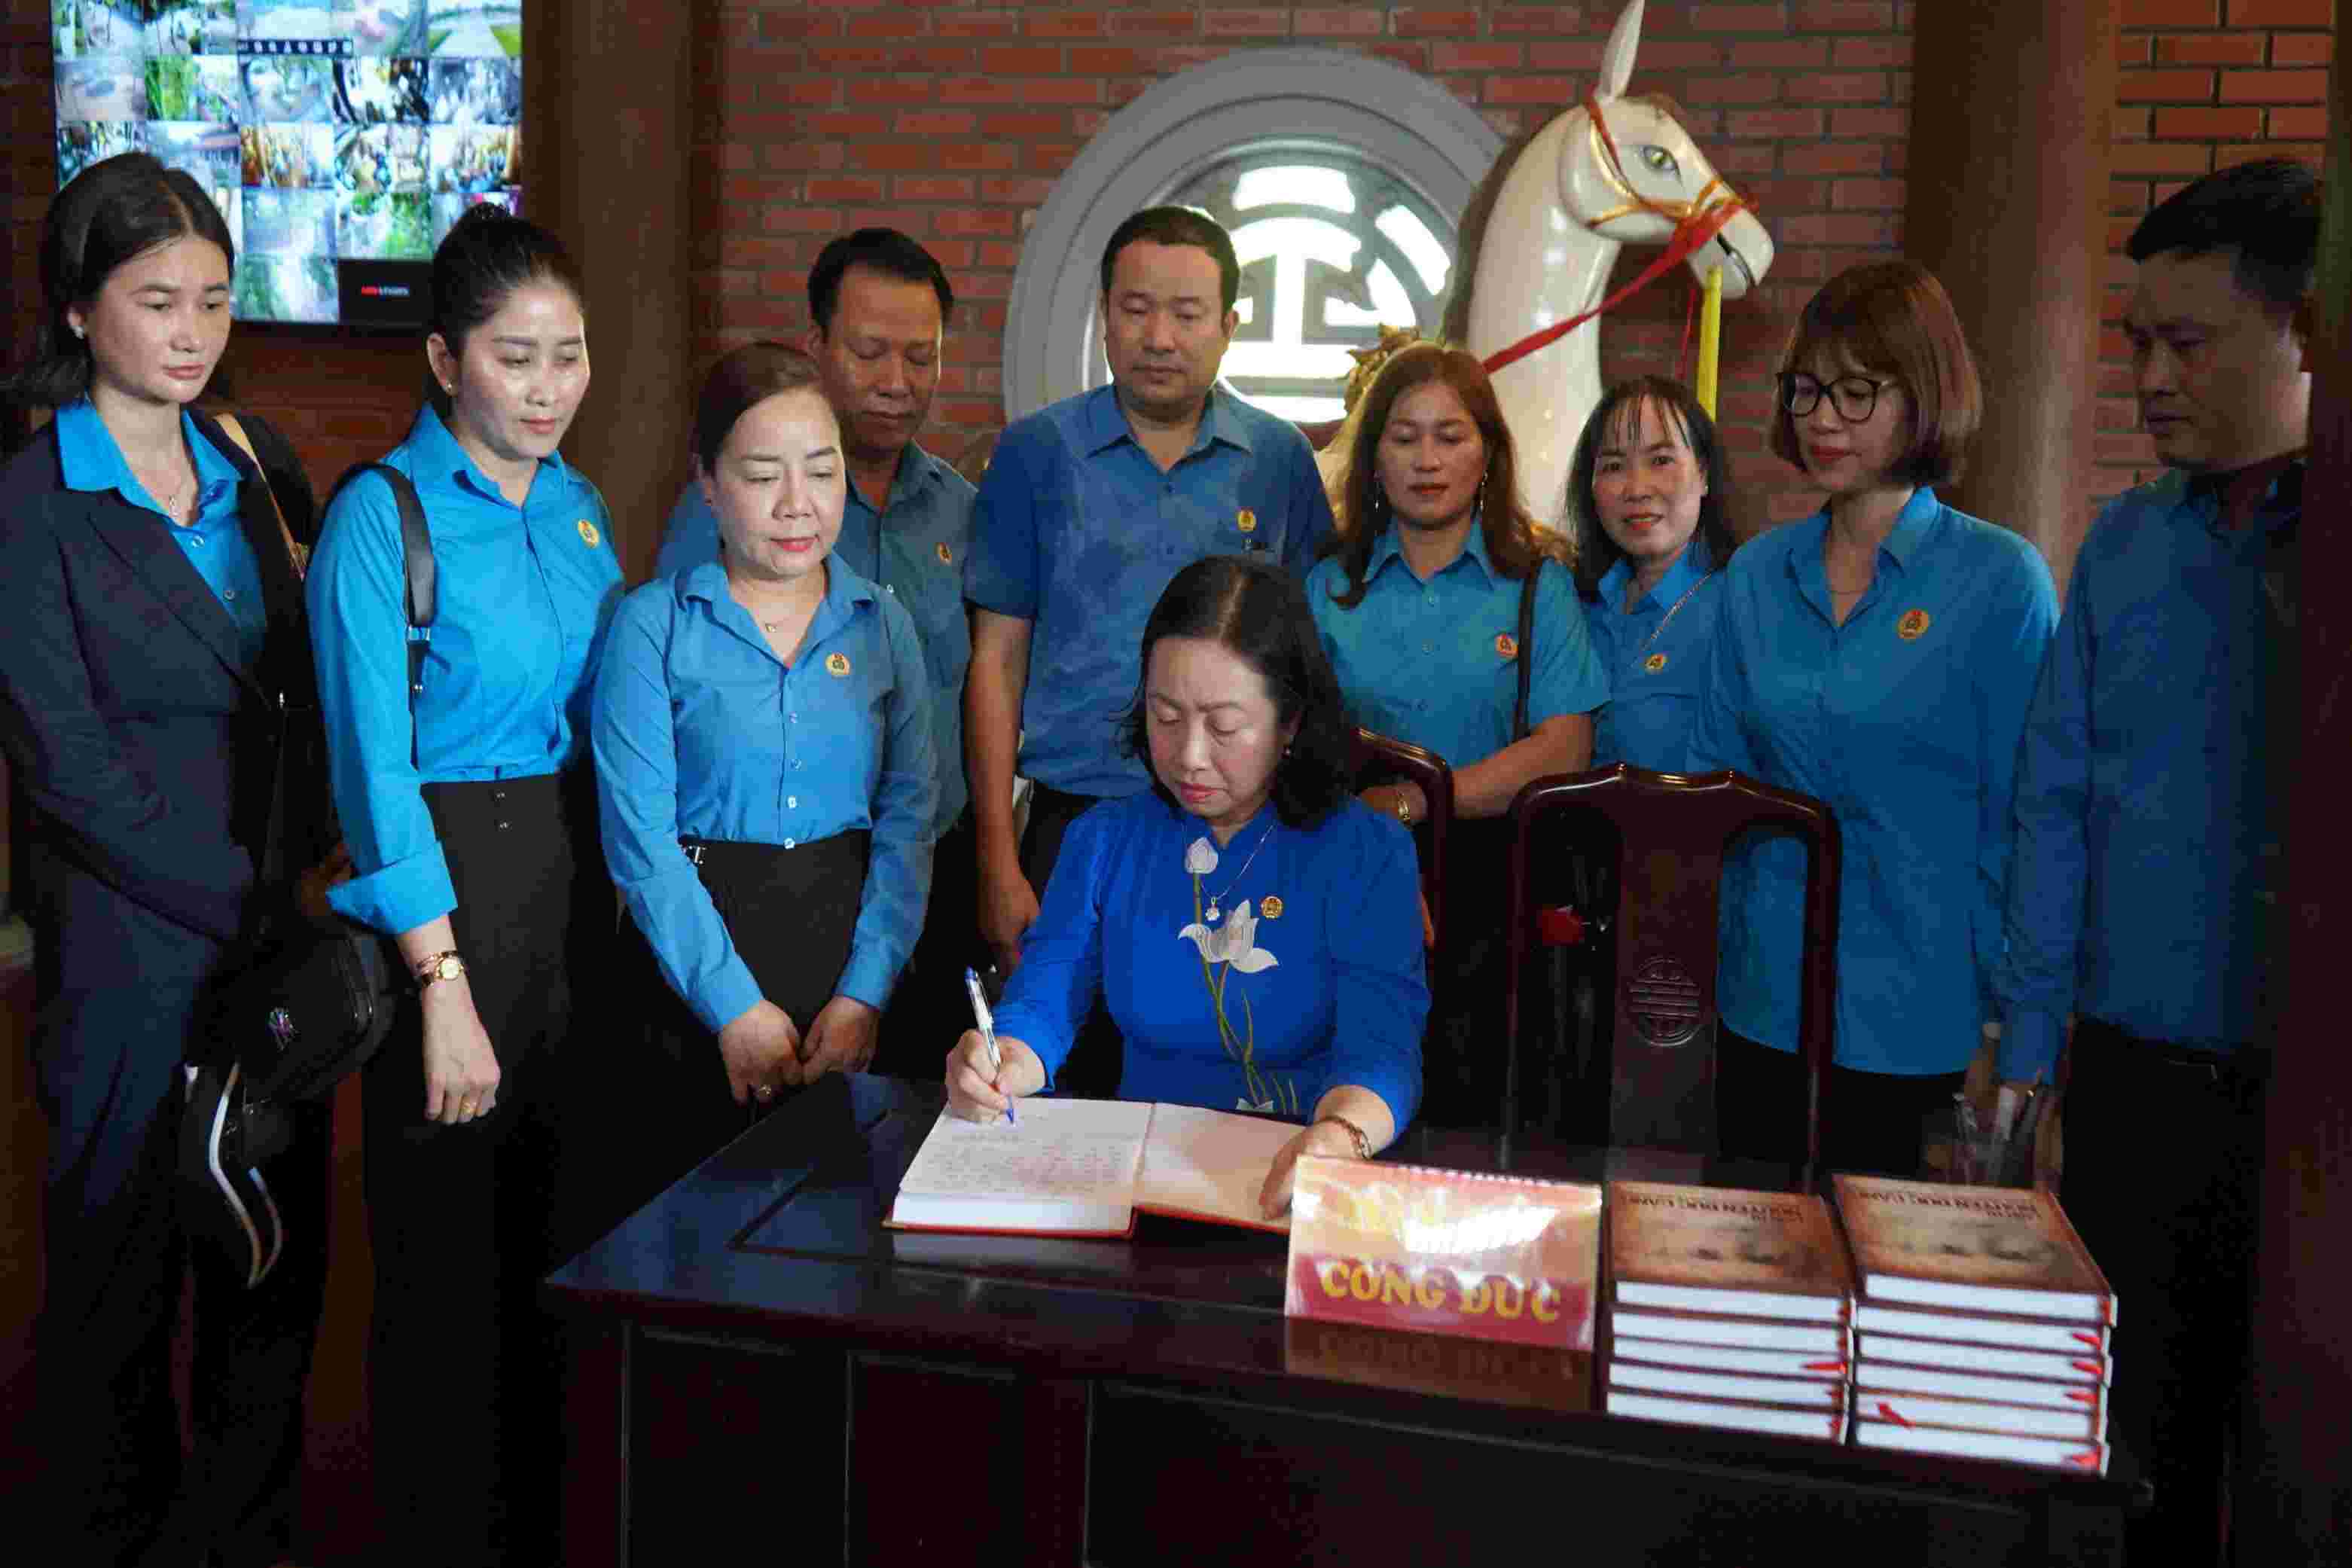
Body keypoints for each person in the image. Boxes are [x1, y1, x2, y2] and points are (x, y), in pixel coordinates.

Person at [2, 151, 330, 1568]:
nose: (193, 331)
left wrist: (306, 887)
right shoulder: (30, 498)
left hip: (269, 934)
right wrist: (234, 896)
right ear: (80, 310)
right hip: (127, 942)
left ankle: (240, 1538)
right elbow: (58, 755)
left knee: (267, 1269)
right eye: (156, 301)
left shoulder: (254, 463)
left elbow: (302, 694)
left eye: (213, 299)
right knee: (117, 1282)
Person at [1995, 158, 2316, 1567]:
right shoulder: (2122, 549)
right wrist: (2029, 1045)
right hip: (2130, 1082)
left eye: (2188, 341)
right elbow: (2052, 804)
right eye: (2135, 341)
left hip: (2314, 1110)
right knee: (2134, 1451)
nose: (2148, 376)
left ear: (2306, 335)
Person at [306, 203, 621, 1564]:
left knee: (556, 1240)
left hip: (564, 881)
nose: (547, 386)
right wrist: (440, 983)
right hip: (439, 897)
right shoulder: (381, 516)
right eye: (514, 356)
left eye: (568, 354)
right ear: (444, 359)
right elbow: (375, 776)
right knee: (442, 1269)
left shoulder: (582, 508)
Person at [1689, 259, 2058, 1179]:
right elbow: (1715, 786)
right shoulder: (1758, 574)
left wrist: (2011, 1023)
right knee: (1757, 1284)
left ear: (1925, 395)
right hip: (1766, 1000)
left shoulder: (1999, 580)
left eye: (1857, 393)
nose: (1822, 419)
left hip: (1931, 1016)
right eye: (1808, 390)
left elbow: (2028, 817)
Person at [964, 205, 1335, 1094]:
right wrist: (997, 860)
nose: (1159, 336)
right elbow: (995, 663)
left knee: (1235, 1077)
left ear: (1229, 328)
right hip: (1075, 822)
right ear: (1103, 315)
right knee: (1050, 1075)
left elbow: (1310, 667)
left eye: (1187, 313)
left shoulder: (1278, 461)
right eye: (1135, 309)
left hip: (1248, 829)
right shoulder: (1037, 455)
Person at [945, 556, 1426, 1216]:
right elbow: (1044, 1004)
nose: (1189, 755)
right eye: (1165, 718)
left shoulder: (1365, 852)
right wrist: (997, 1064)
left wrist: (1339, 1137)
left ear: (1289, 723)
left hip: (1296, 1179)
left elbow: (1383, 1051)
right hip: (1139, 1185)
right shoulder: (1103, 840)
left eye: (1223, 727)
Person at [590, 342, 935, 1228]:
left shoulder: (883, 621)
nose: (797, 504)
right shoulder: (651, 625)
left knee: (839, 1244)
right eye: (761, 474)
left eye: (821, 472)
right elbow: (641, 843)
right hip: (689, 973)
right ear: (707, 483)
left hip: (846, 965)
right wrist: (733, 1009)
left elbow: (908, 822)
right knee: (684, 1240)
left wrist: (866, 994)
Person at [653, 230, 973, 1076]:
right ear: (817, 347)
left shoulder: (959, 514)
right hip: (735, 903)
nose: (897, 382)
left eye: (921, 356)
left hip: (917, 887)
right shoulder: (713, 529)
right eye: (869, 353)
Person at [1304, 343, 1607, 1129]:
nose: (1427, 460)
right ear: (1372, 458)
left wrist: (1412, 803)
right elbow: (1300, 740)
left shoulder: (1539, 580)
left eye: (1451, 436)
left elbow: (1564, 747)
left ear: (1489, 453)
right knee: (1356, 1102)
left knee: (1480, 1113)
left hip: (1494, 887)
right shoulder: (1328, 586)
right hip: (1350, 874)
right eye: (1403, 438)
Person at [1567, 375, 1739, 772]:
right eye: (1613, 466)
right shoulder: (1572, 604)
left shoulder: (1741, 604)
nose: (1637, 488)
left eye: (1660, 460)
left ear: (1704, 474)